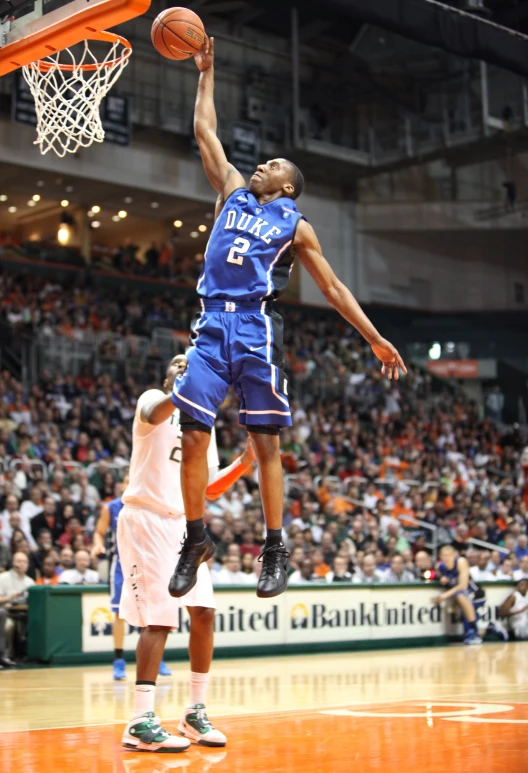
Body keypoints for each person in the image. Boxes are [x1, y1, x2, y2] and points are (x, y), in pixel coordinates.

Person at [169, 36, 406, 602]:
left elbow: (333, 287)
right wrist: (207, 72)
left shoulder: (296, 226)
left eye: (272, 165)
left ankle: (275, 548)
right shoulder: (230, 193)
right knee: (195, 435)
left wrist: (373, 338)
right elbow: (206, 132)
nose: (260, 164)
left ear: (288, 186)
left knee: (266, 443)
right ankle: (195, 537)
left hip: (253, 326)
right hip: (209, 325)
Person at [118, 355, 256, 753]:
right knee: (159, 621)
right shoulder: (153, 402)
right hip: (146, 518)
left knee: (204, 613)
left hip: (183, 526)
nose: (185, 366)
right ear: (168, 377)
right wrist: (190, 383)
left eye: (191, 364)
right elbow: (157, 408)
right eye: (179, 364)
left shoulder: (203, 428)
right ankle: (140, 720)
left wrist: (245, 461)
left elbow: (210, 488)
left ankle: (194, 712)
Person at [91, 477, 172, 681]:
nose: (128, 484)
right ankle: (118, 660)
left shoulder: (152, 505)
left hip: (148, 563)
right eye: (125, 481)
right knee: (119, 613)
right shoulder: (110, 508)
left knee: (152, 614)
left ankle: (156, 657)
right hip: (120, 565)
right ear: (120, 484)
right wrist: (97, 545)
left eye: (132, 480)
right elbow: (99, 533)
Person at [433, 544, 484, 645]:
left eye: (448, 555)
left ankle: (474, 632)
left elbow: (463, 586)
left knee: (461, 595)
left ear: (454, 555)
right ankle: (484, 629)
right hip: (460, 597)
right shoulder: (441, 567)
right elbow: (443, 578)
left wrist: (445, 595)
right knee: (460, 603)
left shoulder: (461, 561)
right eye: (443, 555)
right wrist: (442, 578)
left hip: (475, 594)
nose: (446, 557)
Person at [0, 551, 35, 666]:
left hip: (24, 613)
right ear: (13, 563)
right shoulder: (3, 578)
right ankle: (7, 656)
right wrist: (10, 597)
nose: (21, 564)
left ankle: (28, 655)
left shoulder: (30, 582)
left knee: (32, 625)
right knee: (9, 626)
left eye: (24, 561)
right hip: (6, 613)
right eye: (18, 561)